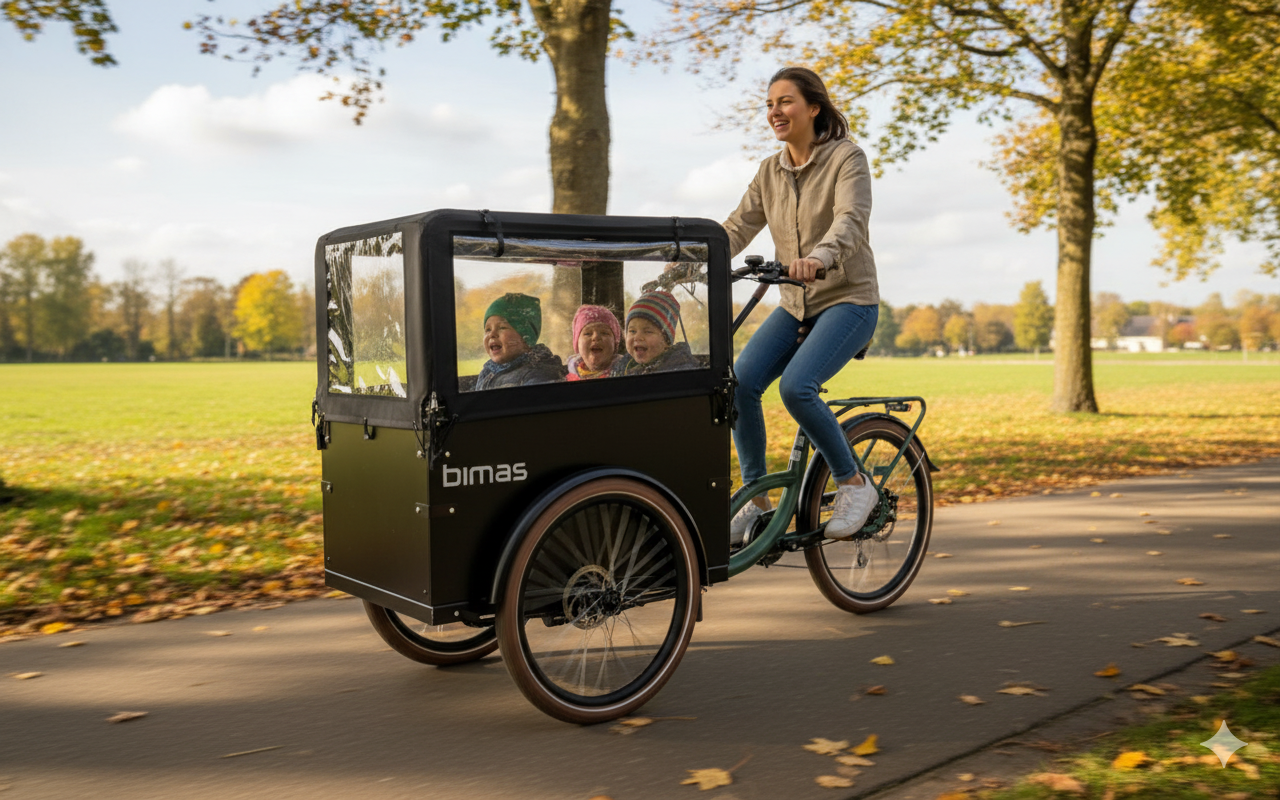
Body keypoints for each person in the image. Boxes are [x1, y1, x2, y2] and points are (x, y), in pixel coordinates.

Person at [722, 66, 881, 545]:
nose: (775, 111)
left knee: (796, 388)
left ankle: (854, 484)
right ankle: (756, 501)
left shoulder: (846, 158)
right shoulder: (769, 171)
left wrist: (819, 257)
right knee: (739, 383)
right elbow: (737, 226)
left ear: (813, 108)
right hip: (795, 305)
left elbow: (850, 220)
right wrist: (691, 255)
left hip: (847, 299)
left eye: (785, 101)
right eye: (770, 104)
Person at [474, 293, 566, 390]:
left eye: (502, 327)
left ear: (526, 337)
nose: (492, 334)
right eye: (488, 329)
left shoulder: (539, 373)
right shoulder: (487, 372)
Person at [610, 290, 700, 376]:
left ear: (666, 342)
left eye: (648, 332)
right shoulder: (623, 367)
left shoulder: (679, 369)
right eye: (632, 331)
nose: (637, 337)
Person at [566, 304, 622, 380]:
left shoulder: (626, 372)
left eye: (604, 333)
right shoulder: (565, 375)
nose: (596, 337)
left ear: (615, 343)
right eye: (587, 333)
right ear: (577, 343)